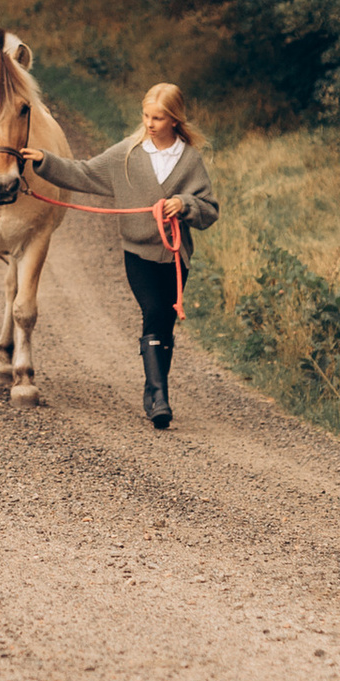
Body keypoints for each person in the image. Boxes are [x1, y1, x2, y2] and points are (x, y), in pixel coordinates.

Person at [30, 82, 218, 432]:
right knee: (154, 311)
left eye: (157, 118)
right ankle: (160, 398)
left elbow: (209, 210)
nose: (149, 124)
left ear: (174, 120)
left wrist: (184, 204)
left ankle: (154, 392)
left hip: (175, 258)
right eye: (146, 116)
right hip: (139, 254)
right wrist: (45, 162)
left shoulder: (190, 160)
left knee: (164, 324)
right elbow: (84, 172)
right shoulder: (127, 155)